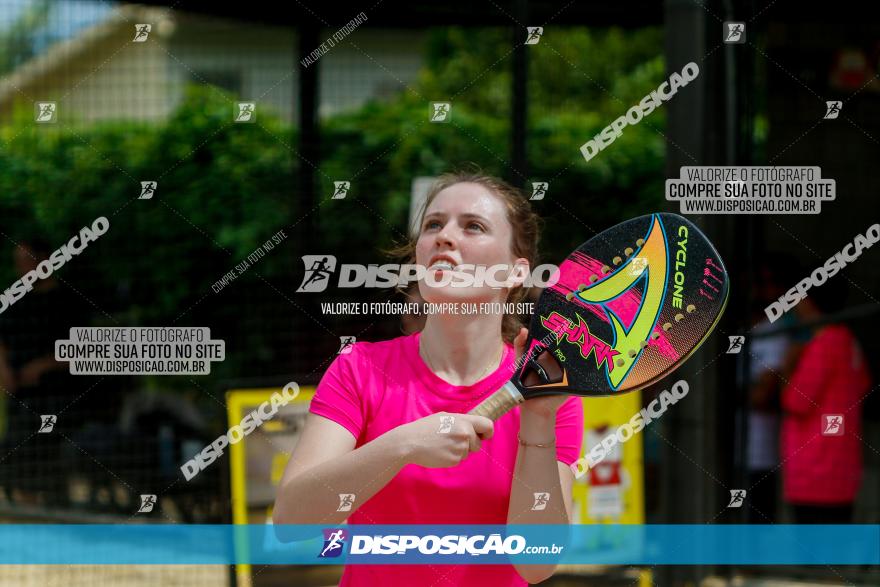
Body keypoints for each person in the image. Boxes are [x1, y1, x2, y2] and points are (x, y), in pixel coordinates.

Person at [273, 171, 584, 586]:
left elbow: (536, 563)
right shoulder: (359, 368)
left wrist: (539, 423)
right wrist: (403, 445)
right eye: (434, 224)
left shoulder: (547, 394)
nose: (444, 237)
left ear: (515, 271)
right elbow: (292, 522)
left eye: (473, 226)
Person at [781, 278, 871, 524]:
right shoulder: (849, 341)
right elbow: (863, 385)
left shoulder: (823, 345)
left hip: (815, 472)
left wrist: (788, 367)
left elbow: (796, 403)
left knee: (816, 556)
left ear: (810, 302)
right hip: (842, 469)